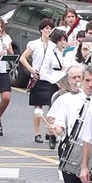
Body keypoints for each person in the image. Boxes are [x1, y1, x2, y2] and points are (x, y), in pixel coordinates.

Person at [20, 18, 60, 147]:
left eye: (50, 28)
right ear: (41, 30)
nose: (48, 31)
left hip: (50, 79)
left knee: (52, 107)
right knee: (38, 108)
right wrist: (31, 69)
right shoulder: (34, 44)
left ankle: (50, 130)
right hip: (37, 78)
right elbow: (23, 58)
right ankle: (37, 133)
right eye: (46, 28)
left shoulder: (55, 46)